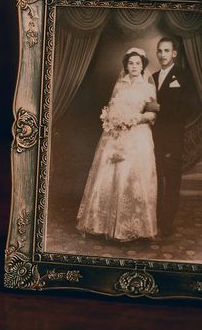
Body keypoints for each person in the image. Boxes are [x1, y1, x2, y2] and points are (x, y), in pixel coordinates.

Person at [76, 48, 158, 241]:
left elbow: (153, 114)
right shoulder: (119, 85)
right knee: (108, 175)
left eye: (138, 63)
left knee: (131, 178)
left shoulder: (148, 87)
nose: (134, 67)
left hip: (137, 136)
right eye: (131, 63)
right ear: (126, 65)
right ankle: (102, 225)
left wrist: (133, 119)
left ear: (143, 65)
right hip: (115, 134)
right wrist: (113, 119)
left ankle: (132, 228)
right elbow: (112, 107)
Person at [144, 37, 193, 236]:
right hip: (152, 138)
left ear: (174, 54)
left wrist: (161, 108)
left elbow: (187, 108)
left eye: (166, 51)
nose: (162, 55)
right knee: (154, 180)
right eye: (159, 51)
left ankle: (166, 225)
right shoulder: (151, 78)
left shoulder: (183, 76)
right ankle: (153, 220)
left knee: (172, 181)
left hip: (173, 138)